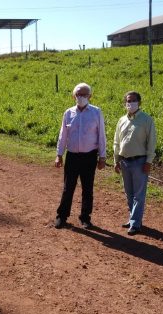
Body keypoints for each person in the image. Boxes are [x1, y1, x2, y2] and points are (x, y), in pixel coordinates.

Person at [54, 83, 107, 229]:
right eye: (78, 94)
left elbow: (101, 135)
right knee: (68, 187)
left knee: (87, 188)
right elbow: (63, 135)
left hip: (89, 157)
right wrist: (59, 155)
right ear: (74, 96)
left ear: (90, 96)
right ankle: (62, 216)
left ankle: (85, 218)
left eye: (84, 94)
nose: (81, 97)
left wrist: (102, 157)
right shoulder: (68, 113)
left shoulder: (96, 112)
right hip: (72, 156)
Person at [113, 91, 157, 235]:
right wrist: (116, 160)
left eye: (133, 101)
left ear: (139, 102)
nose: (130, 103)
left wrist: (149, 161)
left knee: (139, 194)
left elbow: (151, 142)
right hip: (125, 161)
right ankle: (133, 218)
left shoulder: (146, 120)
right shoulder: (122, 120)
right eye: (127, 101)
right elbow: (117, 142)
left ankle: (135, 223)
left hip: (140, 161)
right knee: (129, 193)